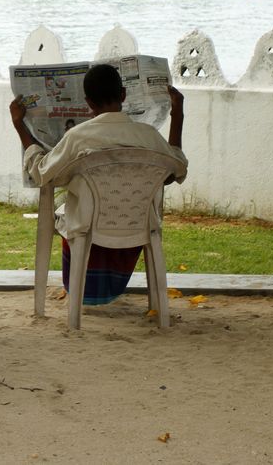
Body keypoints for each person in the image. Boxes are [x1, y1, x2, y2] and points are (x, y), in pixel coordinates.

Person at [10, 64, 187, 306]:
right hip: (139, 226)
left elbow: (43, 175)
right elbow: (176, 169)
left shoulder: (78, 137)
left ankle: (82, 289)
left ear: (88, 103)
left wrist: (20, 125)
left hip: (88, 226)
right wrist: (178, 116)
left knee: (65, 211)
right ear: (123, 95)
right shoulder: (148, 135)